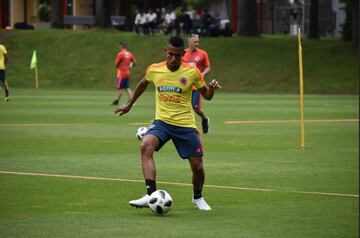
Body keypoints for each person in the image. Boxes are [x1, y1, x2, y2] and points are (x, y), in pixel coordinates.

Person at [114, 36, 221, 210]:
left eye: (177, 55)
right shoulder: (155, 69)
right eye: (170, 54)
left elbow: (206, 96)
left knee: (198, 166)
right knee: (145, 146)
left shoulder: (192, 73)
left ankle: (198, 197)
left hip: (185, 124)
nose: (173, 58)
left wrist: (212, 89)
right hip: (162, 122)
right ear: (165, 51)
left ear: (183, 54)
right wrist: (129, 104)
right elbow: (142, 84)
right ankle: (150, 195)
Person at [182, 34, 211, 133]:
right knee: (185, 107)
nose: (197, 44)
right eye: (195, 42)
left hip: (198, 86)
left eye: (198, 41)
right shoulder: (183, 53)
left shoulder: (203, 54)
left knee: (196, 107)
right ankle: (189, 128)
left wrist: (202, 74)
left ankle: (204, 119)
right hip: (186, 86)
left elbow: (208, 67)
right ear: (189, 42)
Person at [112, 41, 137, 105]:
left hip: (121, 73)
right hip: (127, 72)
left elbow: (116, 63)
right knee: (127, 87)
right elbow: (134, 62)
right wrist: (130, 67)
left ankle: (117, 100)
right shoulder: (129, 54)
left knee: (120, 87)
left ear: (121, 46)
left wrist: (118, 67)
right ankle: (132, 100)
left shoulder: (120, 54)